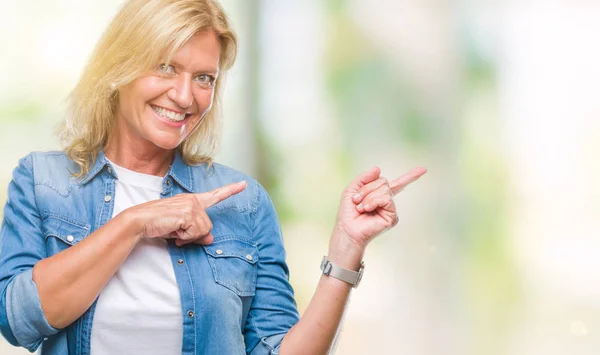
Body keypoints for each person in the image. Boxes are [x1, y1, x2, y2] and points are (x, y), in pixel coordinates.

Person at [0, 0, 426, 354]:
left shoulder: (244, 202)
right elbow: (17, 322)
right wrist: (135, 222)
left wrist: (347, 248)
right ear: (120, 67)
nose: (186, 97)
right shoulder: (44, 182)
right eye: (166, 67)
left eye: (203, 78)